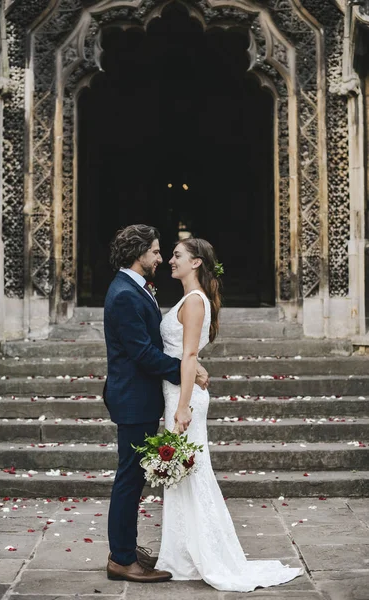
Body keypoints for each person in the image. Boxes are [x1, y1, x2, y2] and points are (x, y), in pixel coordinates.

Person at [155, 237, 304, 592]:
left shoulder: (194, 302)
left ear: (195, 263)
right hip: (180, 391)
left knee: (191, 474)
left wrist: (181, 407)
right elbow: (185, 354)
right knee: (186, 476)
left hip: (183, 398)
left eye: (177, 256)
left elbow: (188, 356)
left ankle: (199, 556)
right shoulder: (191, 299)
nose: (170, 261)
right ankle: (183, 555)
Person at [103, 224, 209, 583]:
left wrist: (188, 368)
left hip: (141, 396)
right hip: (134, 397)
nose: (160, 259)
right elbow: (143, 354)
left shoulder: (135, 289)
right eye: (155, 252)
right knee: (130, 478)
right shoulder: (124, 295)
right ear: (139, 254)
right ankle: (120, 558)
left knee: (132, 476)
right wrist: (186, 373)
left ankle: (127, 549)